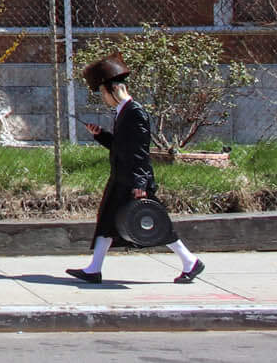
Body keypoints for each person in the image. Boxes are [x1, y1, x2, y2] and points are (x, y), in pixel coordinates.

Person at [66, 56, 206, 284]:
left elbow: (140, 151)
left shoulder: (135, 113)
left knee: (155, 222)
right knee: (107, 221)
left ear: (113, 90)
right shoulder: (124, 111)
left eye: (103, 93)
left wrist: (140, 184)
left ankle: (190, 261)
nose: (103, 98)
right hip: (122, 178)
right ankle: (94, 269)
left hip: (133, 179)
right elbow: (122, 147)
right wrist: (100, 135)